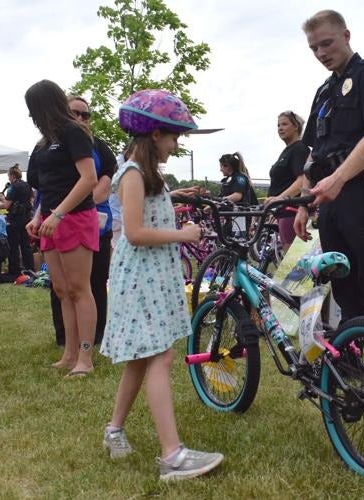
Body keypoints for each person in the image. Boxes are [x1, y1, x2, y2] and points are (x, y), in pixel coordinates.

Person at [100, 89, 223, 480]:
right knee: (160, 355)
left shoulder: (145, 174)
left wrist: (174, 196)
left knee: (142, 358)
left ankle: (114, 430)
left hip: (149, 275)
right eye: (173, 137)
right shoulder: (133, 173)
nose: (175, 144)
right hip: (139, 277)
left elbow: (147, 209)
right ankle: (172, 455)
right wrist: (183, 234)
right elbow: (135, 232)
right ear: (154, 135)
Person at [293, 10, 364, 386]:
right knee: (344, 284)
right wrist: (305, 202)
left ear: (346, 35)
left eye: (327, 43)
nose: (321, 52)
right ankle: (355, 363)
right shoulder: (323, 92)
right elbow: (313, 154)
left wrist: (338, 179)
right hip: (330, 198)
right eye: (314, 47)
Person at [25, 79, 98, 377]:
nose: (31, 117)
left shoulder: (73, 132)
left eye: (33, 110)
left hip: (75, 218)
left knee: (80, 289)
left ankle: (85, 359)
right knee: (62, 290)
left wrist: (57, 214)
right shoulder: (43, 143)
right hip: (51, 220)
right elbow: (48, 186)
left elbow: (88, 178)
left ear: (44, 106)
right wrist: (39, 214)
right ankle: (69, 354)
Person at [50, 95, 117, 347]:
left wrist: (77, 207)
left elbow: (103, 184)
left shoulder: (99, 147)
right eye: (74, 113)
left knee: (95, 281)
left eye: (85, 114)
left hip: (94, 223)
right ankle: (65, 337)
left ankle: (96, 336)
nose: (80, 118)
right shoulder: (53, 146)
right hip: (59, 221)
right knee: (62, 285)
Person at [265, 111, 310, 251]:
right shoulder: (287, 151)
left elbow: (302, 179)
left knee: (293, 261)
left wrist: (280, 198)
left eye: (284, 124)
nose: (280, 128)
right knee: (288, 256)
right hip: (282, 211)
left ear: (296, 126)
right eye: (278, 125)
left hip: (292, 211)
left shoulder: (299, 149)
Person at [0, 164, 35, 277]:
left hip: (14, 219)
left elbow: (6, 205)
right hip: (26, 218)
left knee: (13, 245)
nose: (8, 178)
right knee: (26, 245)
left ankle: (14, 270)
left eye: (9, 175)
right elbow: (31, 202)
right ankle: (29, 268)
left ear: (12, 175)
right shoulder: (27, 185)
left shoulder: (12, 187)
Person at [218, 152, 254, 235]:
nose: (220, 169)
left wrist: (220, 202)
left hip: (240, 214)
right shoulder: (227, 180)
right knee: (225, 238)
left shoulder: (240, 178)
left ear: (228, 166)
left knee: (238, 241)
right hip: (230, 216)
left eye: (221, 167)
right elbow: (221, 196)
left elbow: (237, 195)